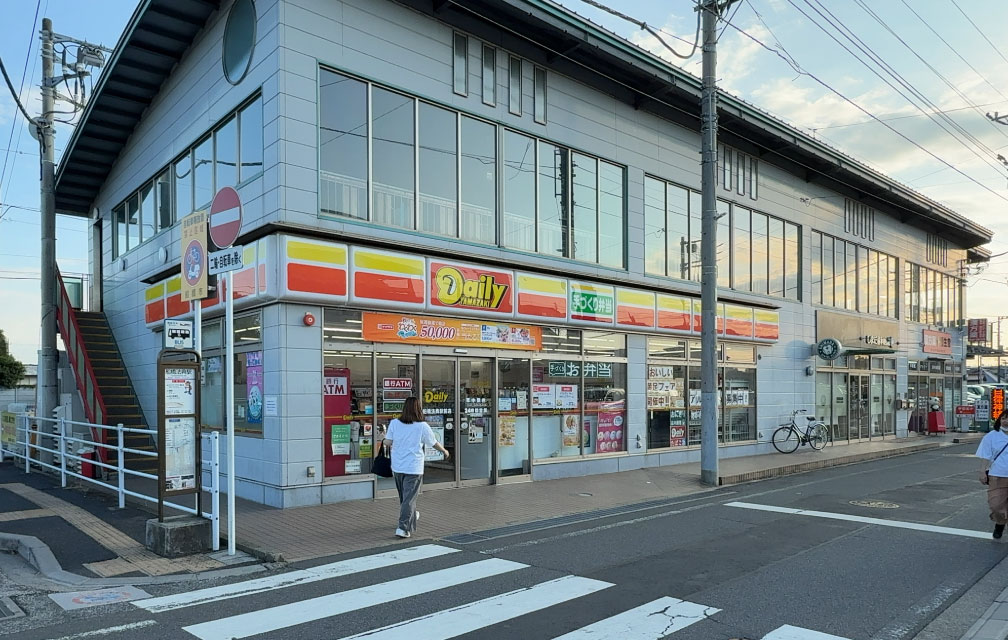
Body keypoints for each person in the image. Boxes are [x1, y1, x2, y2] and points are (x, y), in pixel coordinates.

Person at [383, 396, 449, 539]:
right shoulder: (422, 426)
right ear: (418, 409)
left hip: (397, 466)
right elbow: (433, 442)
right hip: (413, 467)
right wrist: (444, 451)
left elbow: (388, 442)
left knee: (405, 498)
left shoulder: (394, 423)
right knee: (409, 499)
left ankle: (410, 515)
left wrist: (384, 438)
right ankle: (403, 528)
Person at [977, 413, 1008, 539]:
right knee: (996, 505)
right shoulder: (991, 436)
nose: (1006, 421)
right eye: (1004, 418)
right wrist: (982, 471)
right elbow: (986, 455)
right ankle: (1000, 523)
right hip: (997, 476)